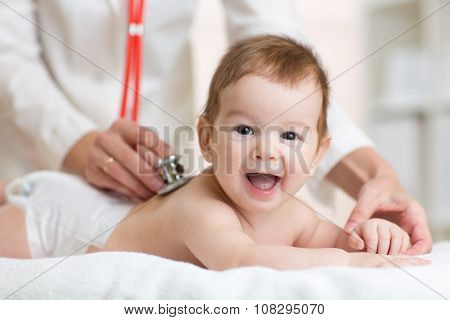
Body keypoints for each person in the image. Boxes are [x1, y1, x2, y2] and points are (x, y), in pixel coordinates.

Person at [0, 0, 431, 254]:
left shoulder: (292, 212)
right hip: (45, 164)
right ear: (207, 138)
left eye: (290, 138)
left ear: (319, 151)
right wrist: (70, 140)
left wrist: (374, 205)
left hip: (158, 168)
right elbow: (8, 53)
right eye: (245, 131)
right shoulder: (205, 211)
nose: (267, 150)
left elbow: (281, 68)